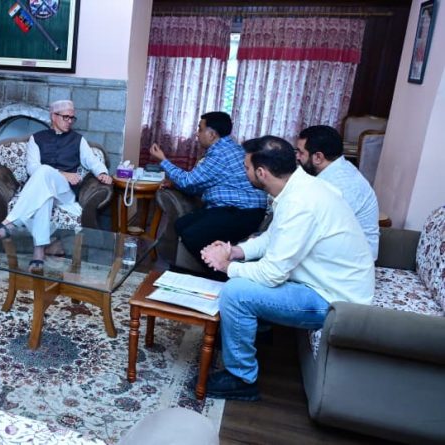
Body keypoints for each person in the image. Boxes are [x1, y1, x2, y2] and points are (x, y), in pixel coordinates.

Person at [200, 136, 374, 400]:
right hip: (327, 284)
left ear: (261, 172)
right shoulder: (300, 187)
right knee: (246, 270)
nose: (244, 172)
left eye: (246, 168)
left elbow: (272, 274)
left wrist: (226, 266)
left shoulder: (300, 203)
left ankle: (241, 379)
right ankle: (247, 334)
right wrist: (236, 252)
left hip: (336, 301)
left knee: (236, 293)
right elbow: (273, 237)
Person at [0, 100, 112, 271]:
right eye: (66, 117)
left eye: (72, 118)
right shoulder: (36, 139)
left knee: (44, 172)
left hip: (65, 193)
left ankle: (10, 223)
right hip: (43, 189)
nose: (70, 121)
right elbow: (32, 168)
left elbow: (92, 161)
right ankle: (38, 253)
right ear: (54, 116)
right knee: (44, 194)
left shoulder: (78, 140)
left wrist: (102, 173)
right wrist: (63, 173)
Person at [149, 112, 267, 268]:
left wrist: (163, 160)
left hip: (243, 212)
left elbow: (188, 181)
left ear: (212, 134)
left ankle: (221, 271)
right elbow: (197, 185)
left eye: (200, 129)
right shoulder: (227, 147)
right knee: (181, 224)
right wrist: (175, 184)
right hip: (233, 208)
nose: (197, 134)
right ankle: (192, 269)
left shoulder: (220, 153)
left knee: (192, 234)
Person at [295, 125, 379, 259]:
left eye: (301, 152)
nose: (297, 157)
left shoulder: (339, 184)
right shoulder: (338, 169)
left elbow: (311, 228)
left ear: (318, 157)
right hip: (339, 249)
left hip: (352, 260)